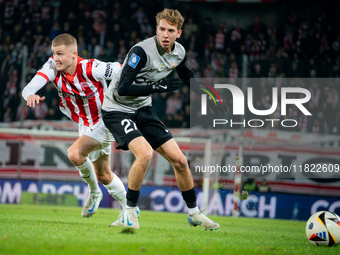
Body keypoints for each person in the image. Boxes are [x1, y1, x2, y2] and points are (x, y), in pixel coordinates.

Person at [102, 9, 226, 230]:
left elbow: (187, 74)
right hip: (117, 108)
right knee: (145, 154)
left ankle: (194, 213)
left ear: (179, 33)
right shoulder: (141, 51)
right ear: (156, 28)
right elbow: (123, 87)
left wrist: (208, 96)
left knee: (180, 160)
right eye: (161, 29)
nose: (165, 35)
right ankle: (129, 211)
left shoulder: (178, 52)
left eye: (170, 30)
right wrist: (157, 87)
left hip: (142, 109)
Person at [22, 33, 131, 226]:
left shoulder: (91, 67)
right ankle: (129, 210)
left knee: (74, 153)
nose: (56, 58)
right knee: (104, 174)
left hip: (105, 120)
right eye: (54, 53)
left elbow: (121, 70)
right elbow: (30, 87)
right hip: (85, 123)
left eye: (61, 54)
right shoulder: (53, 66)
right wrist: (30, 94)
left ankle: (95, 193)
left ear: (74, 54)